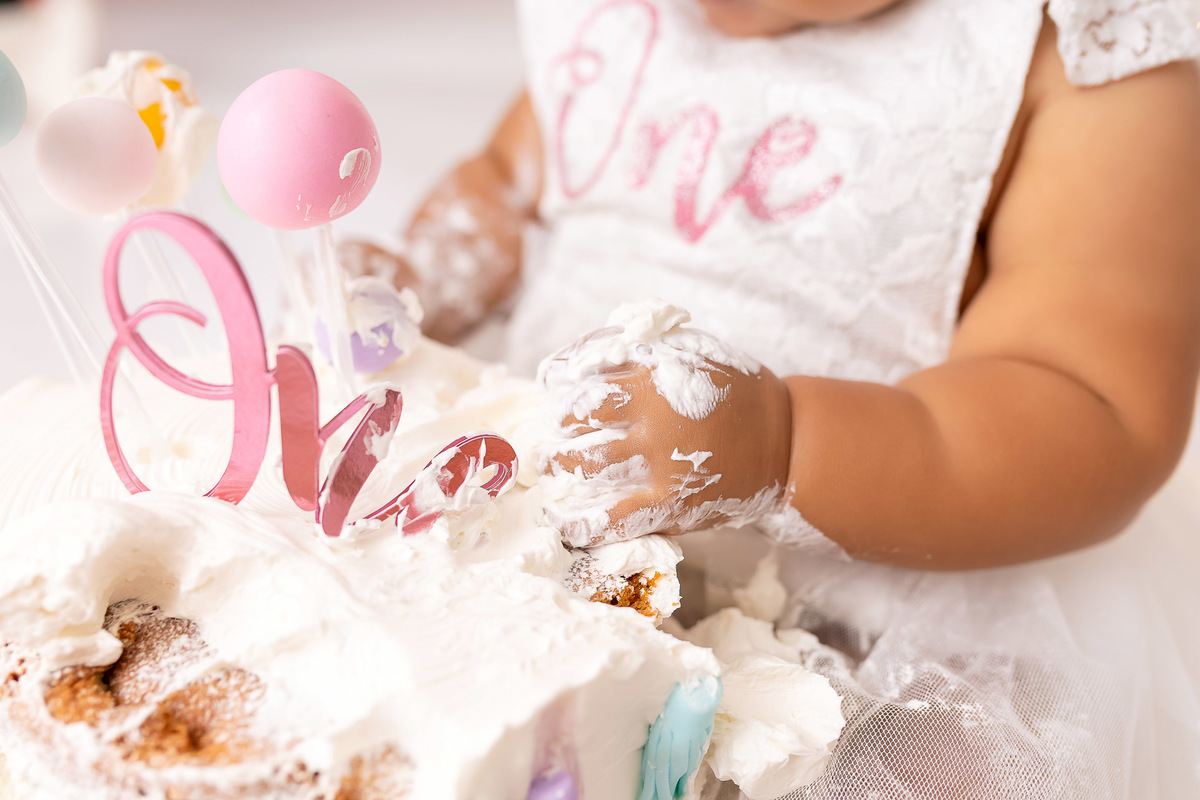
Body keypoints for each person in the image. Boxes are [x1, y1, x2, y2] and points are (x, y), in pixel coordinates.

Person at [342, 0, 1200, 796]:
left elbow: (1085, 401)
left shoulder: (1082, 58)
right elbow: (513, 183)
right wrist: (423, 284)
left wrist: (789, 448)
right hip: (550, 536)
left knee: (945, 762)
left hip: (864, 610)